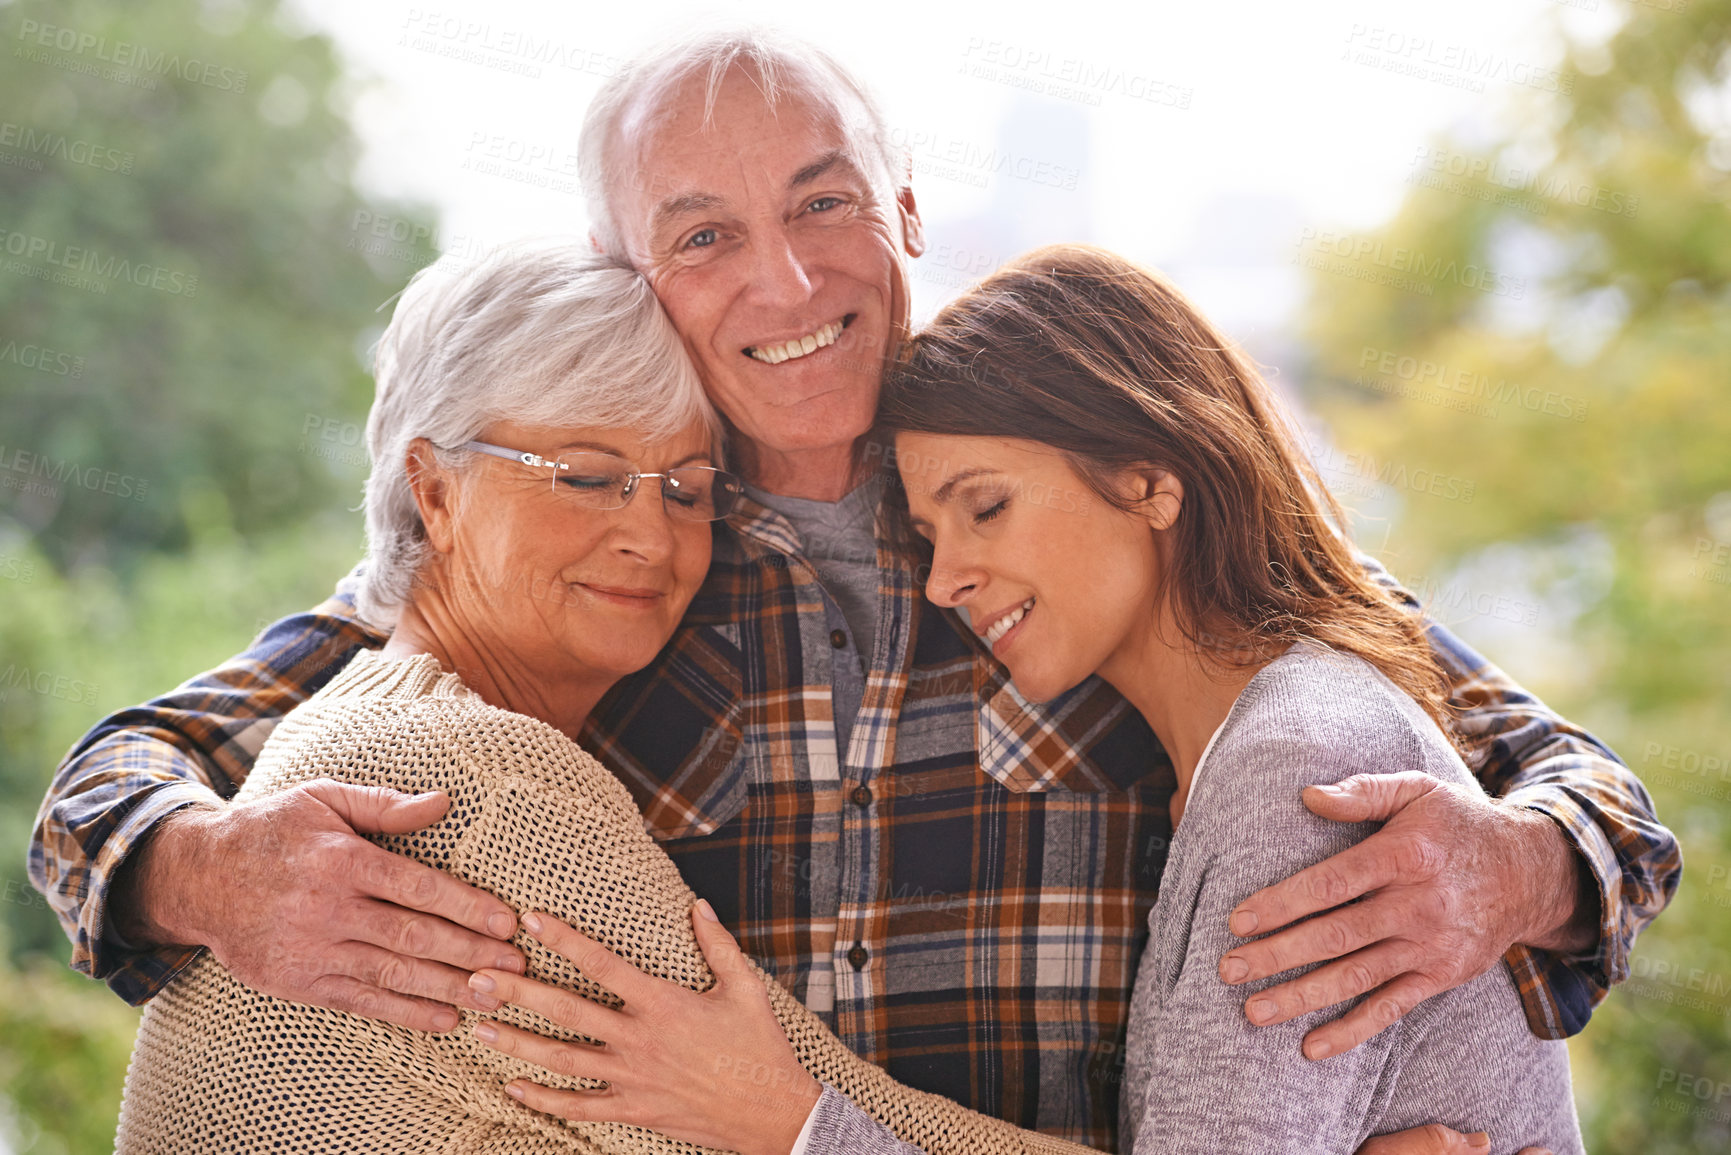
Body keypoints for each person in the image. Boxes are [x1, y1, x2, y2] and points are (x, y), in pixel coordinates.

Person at [31, 25, 1675, 1152]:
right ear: (637, 280)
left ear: (902, 210)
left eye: (824, 205)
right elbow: (124, 780)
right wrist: (200, 875)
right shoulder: (602, 572)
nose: (788, 279)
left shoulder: (1071, 507)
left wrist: (1514, 871)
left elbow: (1589, 802)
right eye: (704, 238)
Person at [457, 246, 1587, 1155]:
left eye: (984, 507)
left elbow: (1583, 784)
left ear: (1150, 477)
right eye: (928, 534)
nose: (946, 579)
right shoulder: (1260, 737)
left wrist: (787, 1119)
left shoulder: (1298, 768)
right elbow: (419, 600)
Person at [112, 237, 1101, 1154]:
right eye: (585, 478)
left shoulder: (360, 712)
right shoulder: (482, 786)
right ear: (437, 492)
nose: (652, 538)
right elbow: (832, 1119)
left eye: (683, 488)